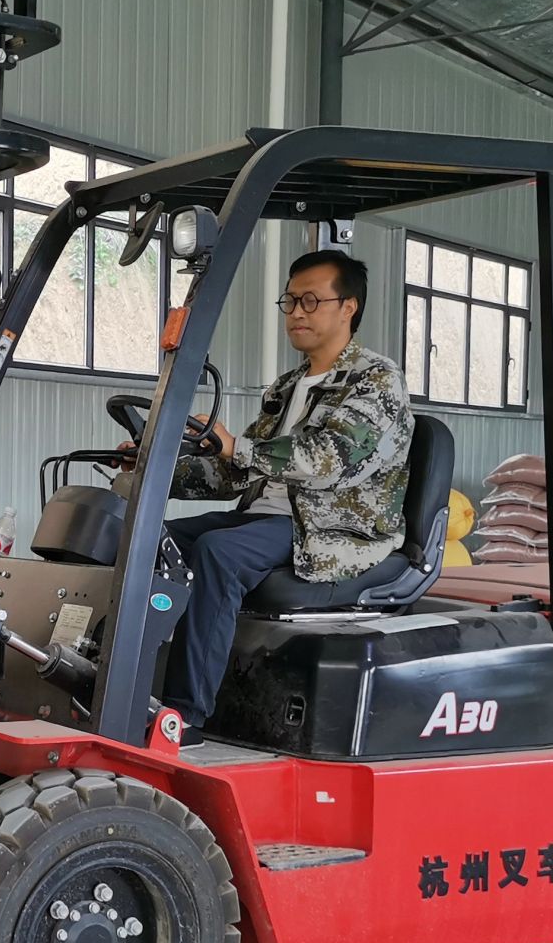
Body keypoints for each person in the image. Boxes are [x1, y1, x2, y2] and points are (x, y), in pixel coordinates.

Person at [156, 250, 414, 746]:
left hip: (326, 528)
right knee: (151, 537)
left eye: (311, 301)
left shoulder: (376, 380)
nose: (296, 312)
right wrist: (158, 471)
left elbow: (329, 460)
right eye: (291, 301)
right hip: (268, 517)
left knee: (218, 552)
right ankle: (122, 684)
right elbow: (238, 469)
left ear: (349, 307)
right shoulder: (288, 385)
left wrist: (236, 446)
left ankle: (184, 716)